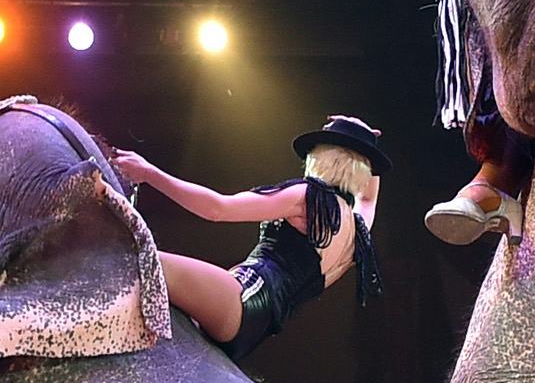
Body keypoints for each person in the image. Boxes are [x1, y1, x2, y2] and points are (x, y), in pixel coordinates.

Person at [108, 116, 383, 358]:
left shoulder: (307, 198)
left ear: (323, 157)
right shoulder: (357, 231)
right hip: (254, 329)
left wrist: (149, 173)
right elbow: (368, 198)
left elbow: (217, 209)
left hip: (244, 298)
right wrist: (367, 143)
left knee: (138, 259)